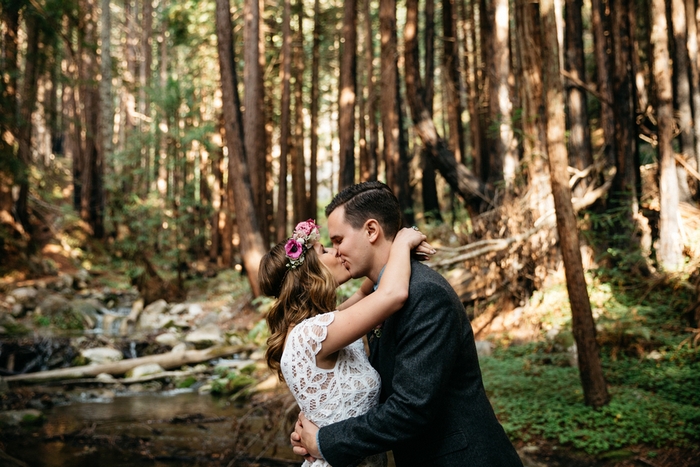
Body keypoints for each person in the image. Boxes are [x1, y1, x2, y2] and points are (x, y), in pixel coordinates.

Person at [291, 181, 523, 467]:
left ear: (371, 230)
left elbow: (410, 408)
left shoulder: (425, 294)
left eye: (338, 240)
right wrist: (319, 424)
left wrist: (327, 440)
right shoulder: (380, 298)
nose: (336, 252)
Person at [259, 218, 433, 467]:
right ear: (308, 273)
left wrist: (388, 248)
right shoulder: (311, 334)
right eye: (325, 250)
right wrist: (403, 244)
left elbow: (364, 293)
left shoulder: (319, 326)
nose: (337, 252)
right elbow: (392, 294)